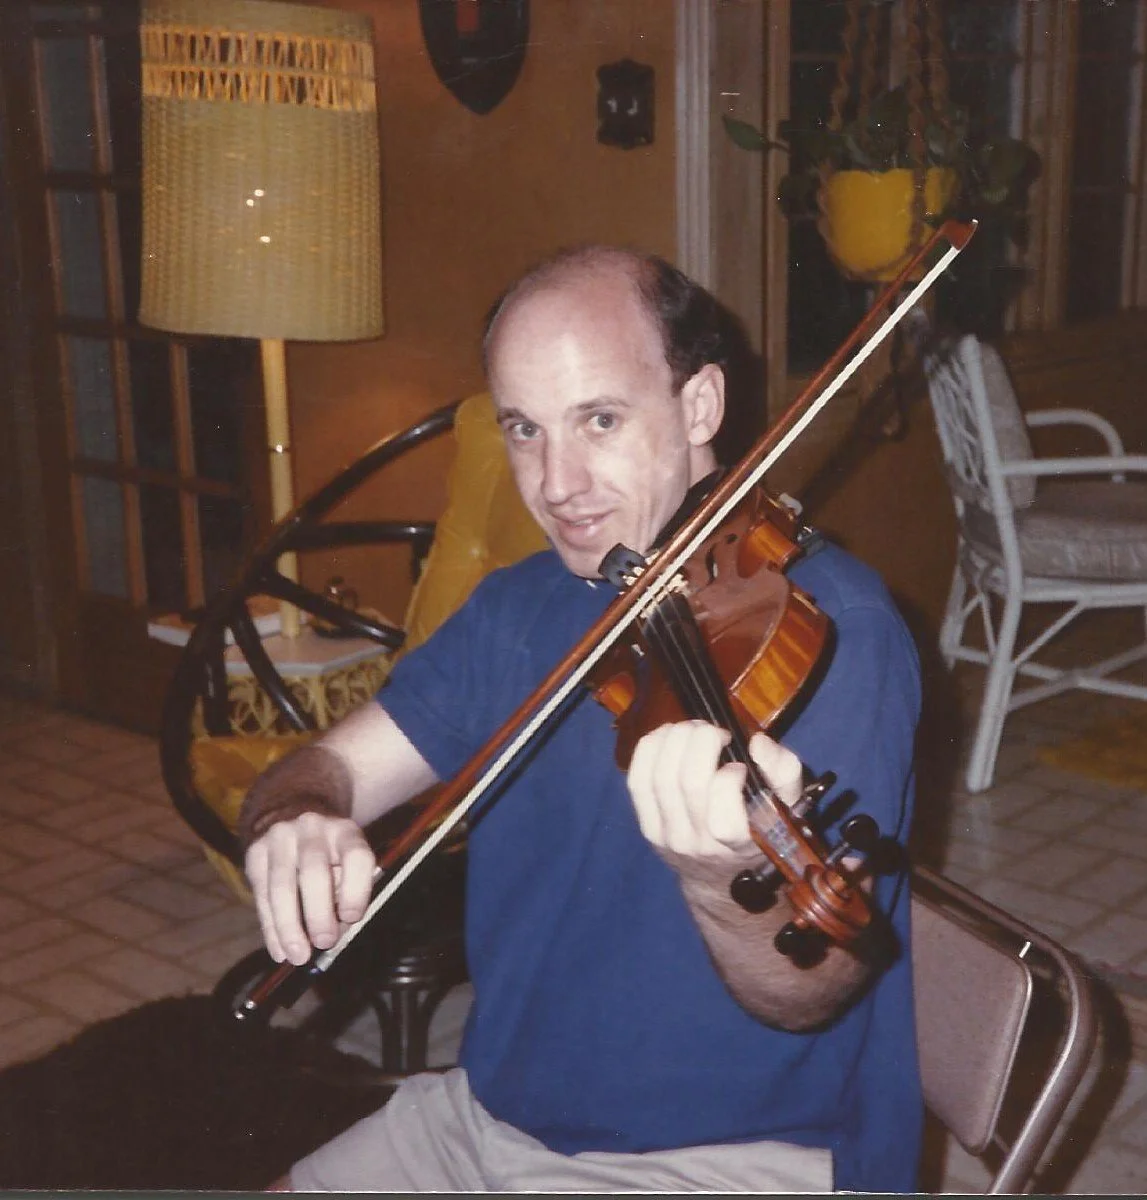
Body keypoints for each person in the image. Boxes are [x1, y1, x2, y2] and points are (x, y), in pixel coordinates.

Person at [238, 245, 924, 1193]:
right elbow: (330, 769)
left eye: (599, 420)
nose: (556, 483)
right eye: (524, 430)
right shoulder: (520, 606)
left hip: (723, 1152)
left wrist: (718, 879)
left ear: (699, 407)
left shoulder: (831, 629)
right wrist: (297, 817)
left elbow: (811, 992)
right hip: (488, 1112)